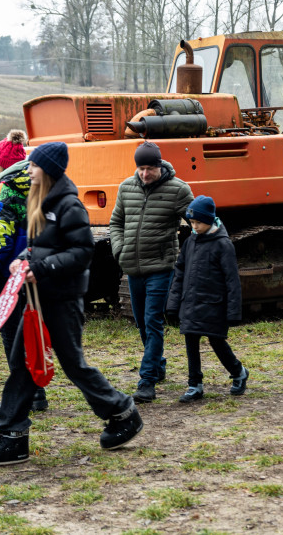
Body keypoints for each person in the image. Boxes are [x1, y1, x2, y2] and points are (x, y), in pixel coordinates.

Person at [0, 142, 142, 465]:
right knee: (23, 362)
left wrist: (40, 268)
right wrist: (23, 260)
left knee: (72, 363)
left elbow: (83, 253)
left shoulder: (69, 205)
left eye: (34, 166)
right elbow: (41, 247)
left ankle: (123, 412)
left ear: (48, 170)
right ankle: (13, 436)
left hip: (62, 299)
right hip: (39, 298)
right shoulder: (40, 200)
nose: (29, 170)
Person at [109, 141, 193, 403]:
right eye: (141, 168)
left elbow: (197, 221)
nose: (145, 174)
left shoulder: (178, 190)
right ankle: (158, 363)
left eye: (150, 169)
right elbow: (116, 223)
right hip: (133, 268)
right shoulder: (126, 187)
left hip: (160, 267)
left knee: (153, 321)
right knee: (142, 323)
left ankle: (147, 381)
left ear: (159, 166)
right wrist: (119, 250)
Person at [0, 131, 46, 412]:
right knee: (30, 330)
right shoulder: (35, 181)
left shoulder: (6, 189)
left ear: (0, 162)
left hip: (9, 271)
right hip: (33, 264)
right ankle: (37, 393)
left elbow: (1, 236)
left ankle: (22, 395)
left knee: (11, 333)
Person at [166, 195, 249, 402]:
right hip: (191, 304)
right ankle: (195, 384)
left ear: (210, 220)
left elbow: (232, 280)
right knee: (191, 342)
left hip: (214, 305)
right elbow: (180, 273)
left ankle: (238, 372)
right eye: (191, 222)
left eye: (198, 222)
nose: (194, 226)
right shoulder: (190, 242)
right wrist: (173, 304)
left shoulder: (223, 245)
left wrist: (233, 311)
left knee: (217, 342)